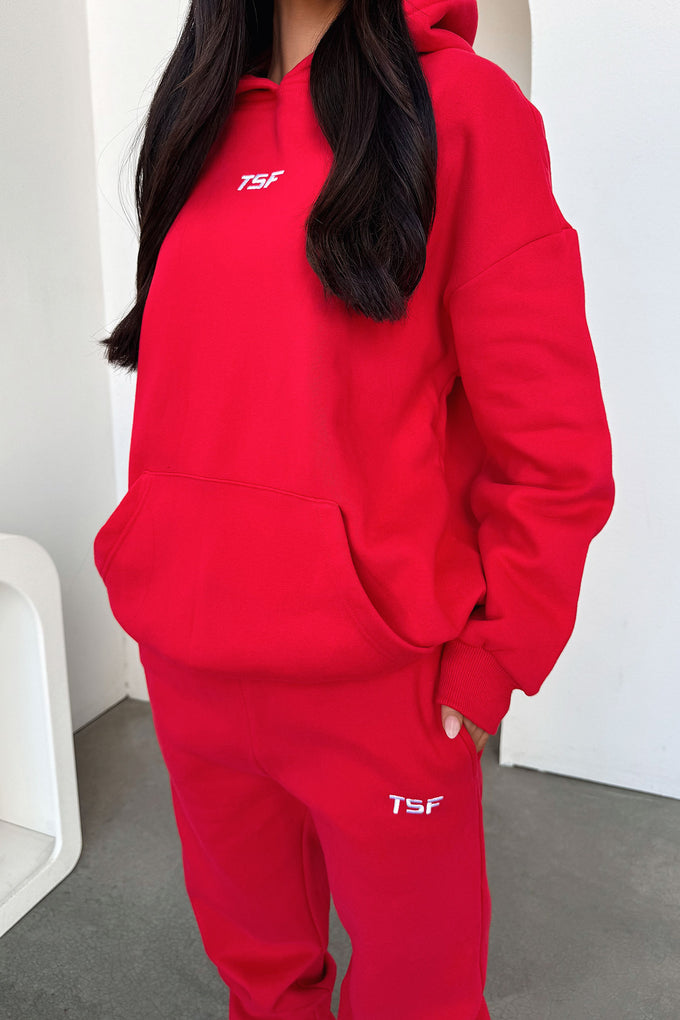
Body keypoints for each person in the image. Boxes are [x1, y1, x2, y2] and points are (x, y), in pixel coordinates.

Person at [92, 0, 615, 1016]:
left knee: (418, 994)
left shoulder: (466, 112)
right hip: (191, 665)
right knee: (261, 982)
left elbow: (550, 441)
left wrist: (495, 656)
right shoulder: (195, 113)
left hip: (378, 683)